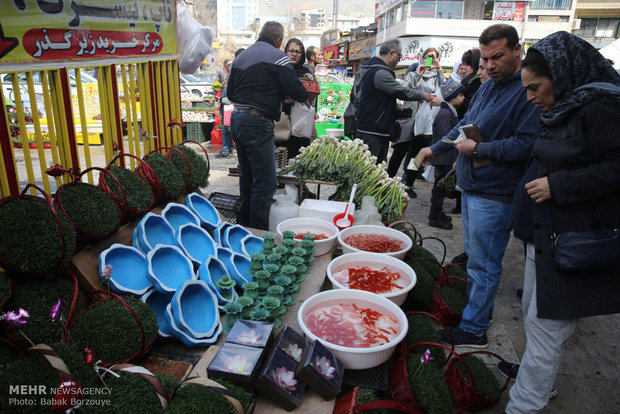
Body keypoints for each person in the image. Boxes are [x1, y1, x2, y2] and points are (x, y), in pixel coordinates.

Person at [503, 31, 620, 414]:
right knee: (541, 320)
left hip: (571, 235)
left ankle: (524, 406)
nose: (531, 97)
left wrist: (558, 184)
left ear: (562, 73)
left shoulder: (602, 107)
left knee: (546, 326)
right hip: (545, 233)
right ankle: (541, 384)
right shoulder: (568, 105)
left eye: (535, 87)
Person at [417, 24, 543, 347]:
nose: (488, 65)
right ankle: (476, 317)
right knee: (475, 260)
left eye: (497, 57)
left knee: (485, 265)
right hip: (472, 187)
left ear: (518, 50)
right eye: (485, 58)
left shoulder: (528, 90)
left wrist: (480, 150)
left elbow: (526, 145)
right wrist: (436, 149)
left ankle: (474, 329)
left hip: (496, 194)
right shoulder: (487, 85)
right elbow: (464, 125)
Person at [227, 21, 309, 230]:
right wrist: (296, 95)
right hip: (257, 122)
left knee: (247, 178)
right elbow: (297, 89)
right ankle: (258, 236)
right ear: (279, 40)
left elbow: (230, 94)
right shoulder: (277, 56)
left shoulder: (241, 57)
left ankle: (243, 229)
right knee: (265, 185)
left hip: (237, 119)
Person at [356, 39, 432, 164]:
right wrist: (424, 95)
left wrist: (396, 112)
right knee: (370, 168)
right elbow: (402, 92)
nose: (400, 59)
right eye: (399, 55)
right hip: (374, 130)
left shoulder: (374, 69)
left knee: (375, 168)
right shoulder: (380, 73)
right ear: (391, 53)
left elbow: (379, 101)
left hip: (375, 128)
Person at [386, 47, 442, 197]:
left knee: (417, 156)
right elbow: (405, 91)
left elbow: (444, 90)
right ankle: (387, 181)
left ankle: (408, 184)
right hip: (409, 119)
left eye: (433, 57)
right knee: (399, 152)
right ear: (422, 58)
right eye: (428, 56)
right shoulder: (412, 74)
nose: (430, 59)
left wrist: (439, 69)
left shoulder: (437, 77)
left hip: (426, 122)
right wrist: (419, 73)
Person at [428, 78, 464, 230]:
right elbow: (446, 135)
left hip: (446, 157)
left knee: (440, 187)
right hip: (443, 158)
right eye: (461, 95)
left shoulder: (449, 110)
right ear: (453, 97)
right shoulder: (445, 112)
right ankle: (434, 215)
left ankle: (437, 212)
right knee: (439, 188)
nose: (463, 98)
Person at [282, 38, 315, 159]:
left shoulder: (305, 71)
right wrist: (287, 100)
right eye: (291, 50)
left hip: (301, 118)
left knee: (299, 153)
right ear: (286, 51)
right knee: (283, 152)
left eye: (298, 51)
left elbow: (311, 97)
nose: (294, 54)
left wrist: (311, 82)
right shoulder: (281, 69)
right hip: (283, 117)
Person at [216, 59, 233, 158]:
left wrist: (222, 99)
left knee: (226, 128)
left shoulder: (231, 79)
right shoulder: (228, 78)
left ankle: (226, 148)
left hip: (228, 106)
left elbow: (228, 95)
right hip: (226, 106)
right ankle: (228, 147)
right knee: (227, 128)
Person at [458, 49, 482, 117]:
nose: (464, 68)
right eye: (464, 64)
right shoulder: (468, 80)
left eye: (466, 65)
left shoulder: (476, 81)